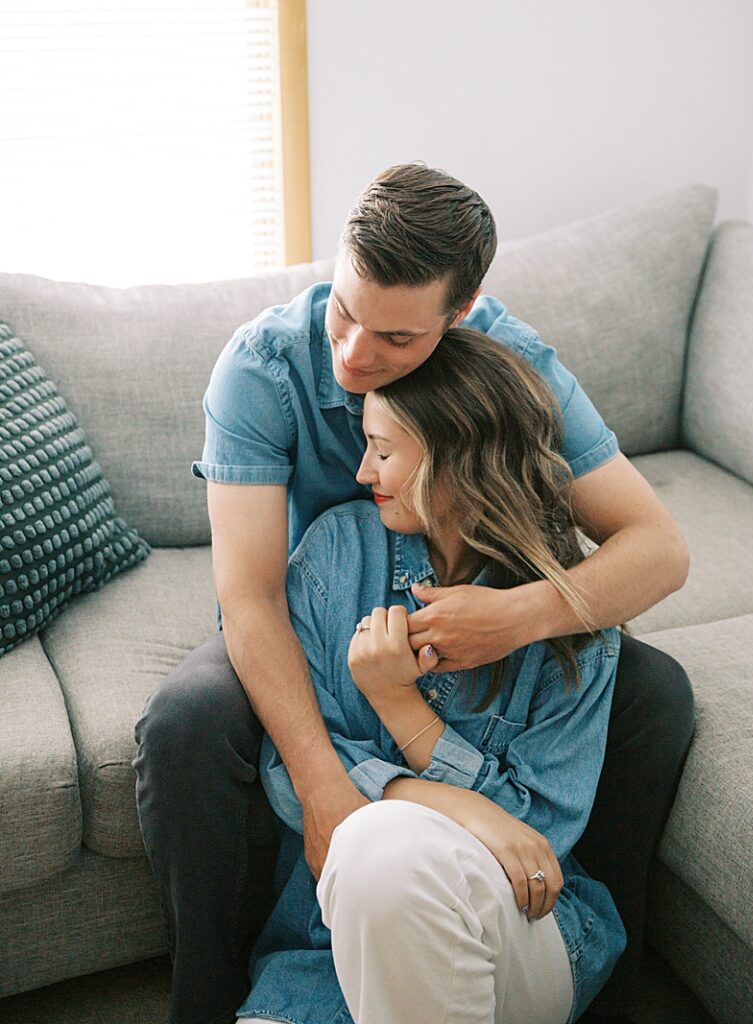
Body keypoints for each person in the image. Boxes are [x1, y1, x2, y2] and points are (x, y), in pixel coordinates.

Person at [132, 163, 694, 1024]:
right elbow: (249, 597)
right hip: (307, 605)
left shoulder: (506, 366)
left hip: (476, 590)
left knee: (651, 690)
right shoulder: (261, 366)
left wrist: (516, 617)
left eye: (396, 340)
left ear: (459, 315)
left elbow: (657, 546)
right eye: (344, 313)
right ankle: (206, 1001)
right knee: (186, 722)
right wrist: (325, 788)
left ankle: (584, 960)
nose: (356, 356)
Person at [238, 327, 626, 1024]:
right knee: (369, 852)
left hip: (518, 929)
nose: (362, 472)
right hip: (318, 957)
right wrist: (463, 804)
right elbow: (294, 772)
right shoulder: (335, 556)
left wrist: (400, 708)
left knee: (377, 848)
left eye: (383, 451)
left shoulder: (574, 623)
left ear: (461, 461)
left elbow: (538, 834)